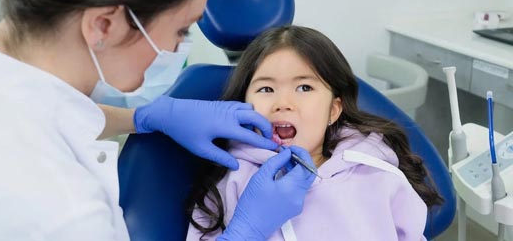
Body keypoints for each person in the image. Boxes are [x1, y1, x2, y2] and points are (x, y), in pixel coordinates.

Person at [0, 0, 315, 240]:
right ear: (103, 24)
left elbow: (29, 114)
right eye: (181, 30)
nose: (179, 48)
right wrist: (245, 232)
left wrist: (144, 117)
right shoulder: (65, 212)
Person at [187, 25, 444, 241]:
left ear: (333, 110)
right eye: (266, 89)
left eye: (304, 87)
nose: (283, 102)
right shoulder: (229, 182)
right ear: (244, 106)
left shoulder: (376, 171)